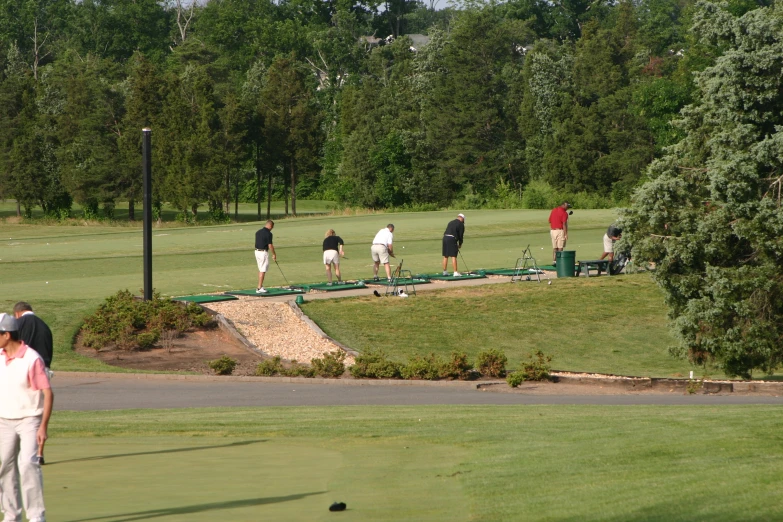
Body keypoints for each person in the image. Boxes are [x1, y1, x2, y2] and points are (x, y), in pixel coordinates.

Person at [0, 313, 53, 522]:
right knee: (5, 465)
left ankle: (36, 516)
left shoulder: (32, 359)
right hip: (4, 419)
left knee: (28, 464)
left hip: (30, 419)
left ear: (6, 335)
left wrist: (43, 427)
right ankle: (11, 515)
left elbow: (48, 393)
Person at [13, 303, 53, 370]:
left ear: (17, 314)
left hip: (22, 367)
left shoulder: (17, 324)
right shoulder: (44, 326)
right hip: (42, 366)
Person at [254, 220, 276, 294]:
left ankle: (260, 286)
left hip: (256, 252)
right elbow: (270, 245)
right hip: (263, 253)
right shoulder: (269, 234)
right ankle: (259, 288)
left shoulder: (258, 232)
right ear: (270, 226)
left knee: (261, 269)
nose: (271, 228)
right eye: (272, 227)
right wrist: (274, 254)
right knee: (263, 270)